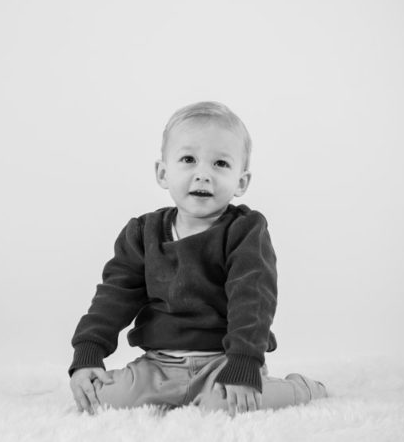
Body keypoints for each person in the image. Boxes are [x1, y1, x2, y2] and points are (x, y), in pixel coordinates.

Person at [68, 101, 327, 416]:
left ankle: (301, 388)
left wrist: (243, 365)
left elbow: (253, 300)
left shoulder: (244, 231)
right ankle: (164, 392)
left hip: (222, 362)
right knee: (102, 398)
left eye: (220, 163)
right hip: (158, 366)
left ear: (241, 182)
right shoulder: (142, 232)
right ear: (163, 173)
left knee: (227, 406)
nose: (203, 174)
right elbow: (114, 295)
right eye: (188, 159)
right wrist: (89, 351)